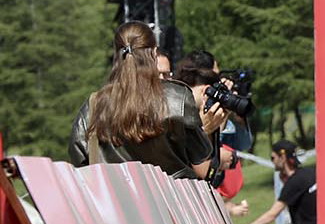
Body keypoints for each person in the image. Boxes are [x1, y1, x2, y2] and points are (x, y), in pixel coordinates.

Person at [69, 22, 225, 178]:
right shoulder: (178, 97)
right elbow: (200, 155)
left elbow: (79, 159)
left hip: (114, 200)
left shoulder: (93, 106)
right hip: (169, 199)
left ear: (116, 55)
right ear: (154, 53)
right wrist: (206, 130)